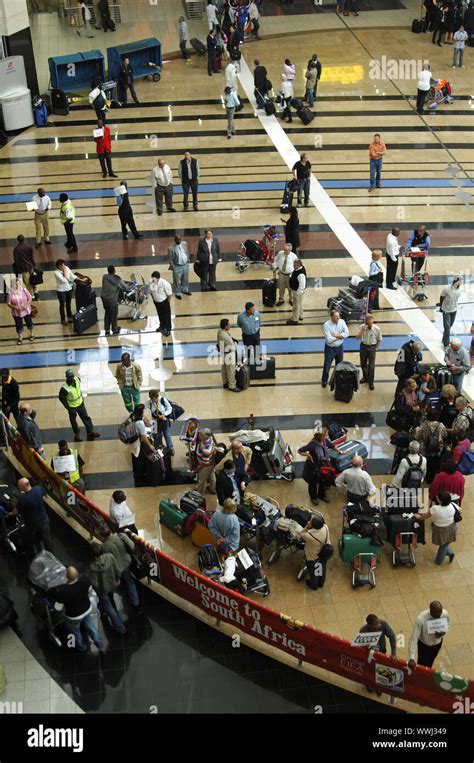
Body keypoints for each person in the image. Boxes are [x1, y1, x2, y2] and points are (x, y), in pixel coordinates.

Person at [51, 567, 104, 652]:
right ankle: (98, 641)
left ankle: (81, 646)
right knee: (91, 626)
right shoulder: (84, 580)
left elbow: (58, 607)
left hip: (74, 616)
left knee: (75, 631)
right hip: (86, 609)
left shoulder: (63, 591)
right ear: (77, 574)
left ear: (66, 577)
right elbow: (89, 590)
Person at [89, 543, 125, 635]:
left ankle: (120, 627)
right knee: (110, 597)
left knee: (109, 608)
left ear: (92, 554)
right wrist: (118, 578)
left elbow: (95, 583)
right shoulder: (110, 557)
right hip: (112, 584)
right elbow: (116, 569)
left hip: (102, 590)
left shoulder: (93, 567)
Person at [416, 492, 460, 564]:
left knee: (443, 544)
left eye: (438, 497)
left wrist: (419, 517)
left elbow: (426, 516)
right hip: (451, 527)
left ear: (441, 501)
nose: (436, 497)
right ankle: (449, 552)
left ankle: (439, 560)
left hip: (440, 529)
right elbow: (460, 510)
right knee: (446, 542)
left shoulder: (435, 508)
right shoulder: (452, 505)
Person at [59, 369, 100, 443]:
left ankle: (90, 431)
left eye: (72, 376)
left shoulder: (77, 379)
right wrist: (68, 407)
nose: (71, 378)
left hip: (80, 404)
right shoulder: (65, 388)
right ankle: (77, 434)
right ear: (66, 377)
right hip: (72, 407)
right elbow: (61, 398)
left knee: (86, 418)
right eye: (69, 377)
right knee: (73, 421)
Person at [359, 614, 397, 694]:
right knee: (369, 668)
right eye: (376, 624)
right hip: (368, 653)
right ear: (369, 625)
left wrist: (393, 653)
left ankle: (378, 686)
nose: (378, 625)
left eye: (378, 623)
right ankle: (368, 683)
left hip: (381, 651)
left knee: (380, 669)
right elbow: (359, 643)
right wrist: (364, 645)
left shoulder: (383, 624)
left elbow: (392, 636)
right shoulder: (363, 630)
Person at [298, 430, 333, 506]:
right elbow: (300, 450)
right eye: (326, 435)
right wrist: (308, 455)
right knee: (312, 482)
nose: (327, 436)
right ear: (321, 437)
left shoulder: (325, 441)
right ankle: (313, 497)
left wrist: (341, 452)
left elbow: (332, 446)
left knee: (322, 481)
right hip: (313, 466)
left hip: (322, 465)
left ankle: (321, 495)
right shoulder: (312, 445)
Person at [17, 478, 52, 553]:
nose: (18, 487)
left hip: (32, 524)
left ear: (23, 487)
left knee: (36, 539)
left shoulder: (22, 499)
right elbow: (45, 496)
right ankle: (51, 555)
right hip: (44, 519)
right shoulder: (38, 489)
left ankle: (39, 553)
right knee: (46, 539)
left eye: (19, 486)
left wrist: (9, 513)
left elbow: (18, 510)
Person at [297, 514, 330, 591]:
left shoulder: (310, 536)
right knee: (322, 568)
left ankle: (314, 585)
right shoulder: (325, 527)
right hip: (324, 553)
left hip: (313, 557)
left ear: (313, 526)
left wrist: (307, 527)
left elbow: (301, 534)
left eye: (310, 522)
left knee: (314, 572)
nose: (309, 522)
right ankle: (321, 583)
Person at [127, 404, 156, 486]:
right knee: (140, 458)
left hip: (132, 441)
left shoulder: (132, 416)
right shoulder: (140, 423)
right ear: (141, 412)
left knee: (135, 457)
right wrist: (150, 445)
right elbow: (143, 437)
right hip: (138, 443)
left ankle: (137, 473)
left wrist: (143, 416)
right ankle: (139, 475)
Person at [322, 308, 349, 388]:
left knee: (339, 365)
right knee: (327, 365)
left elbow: (347, 334)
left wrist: (336, 336)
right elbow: (329, 340)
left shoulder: (342, 322)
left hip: (340, 347)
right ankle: (324, 380)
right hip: (330, 348)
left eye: (338, 316)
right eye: (336, 316)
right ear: (331, 317)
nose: (338, 318)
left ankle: (337, 380)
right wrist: (341, 336)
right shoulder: (326, 325)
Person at [356, 314, 382, 390]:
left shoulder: (377, 329)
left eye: (371, 323)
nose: (370, 325)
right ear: (365, 323)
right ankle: (365, 378)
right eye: (368, 323)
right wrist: (363, 330)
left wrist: (376, 348)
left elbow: (379, 339)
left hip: (372, 347)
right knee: (363, 364)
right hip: (363, 346)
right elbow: (357, 338)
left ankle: (371, 382)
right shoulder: (361, 327)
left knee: (371, 366)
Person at [7, 275, 34, 346]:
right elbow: (8, 303)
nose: (17, 285)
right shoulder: (10, 293)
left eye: (18, 283)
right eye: (15, 284)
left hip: (26, 310)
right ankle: (20, 338)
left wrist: (26, 305)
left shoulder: (24, 290)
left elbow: (30, 298)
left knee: (29, 322)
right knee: (18, 325)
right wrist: (15, 307)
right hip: (16, 312)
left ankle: (31, 334)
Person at [101, 264, 128, 335]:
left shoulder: (104, 277)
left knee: (107, 312)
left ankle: (107, 329)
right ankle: (114, 329)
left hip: (104, 298)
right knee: (113, 314)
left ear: (108, 271)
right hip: (112, 299)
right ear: (114, 271)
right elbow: (124, 287)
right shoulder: (117, 278)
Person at [216, 318, 240, 393]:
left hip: (223, 353)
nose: (230, 325)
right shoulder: (225, 336)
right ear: (225, 326)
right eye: (229, 324)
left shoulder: (220, 331)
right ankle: (232, 386)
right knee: (231, 370)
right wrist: (236, 343)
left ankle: (225, 383)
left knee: (224, 369)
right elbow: (233, 347)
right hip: (229, 354)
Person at [440, 276, 462, 350]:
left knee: (449, 326)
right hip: (446, 310)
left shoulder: (459, 291)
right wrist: (441, 307)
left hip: (454, 310)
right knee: (447, 328)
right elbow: (441, 297)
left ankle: (444, 339)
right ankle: (446, 344)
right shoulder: (446, 288)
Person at [167, 235, 191, 299]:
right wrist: (173, 267)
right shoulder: (170, 248)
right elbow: (170, 259)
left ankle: (185, 289)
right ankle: (177, 293)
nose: (179, 241)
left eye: (180, 239)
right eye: (177, 240)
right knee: (176, 281)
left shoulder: (184, 243)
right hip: (177, 266)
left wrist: (188, 260)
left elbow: (186, 252)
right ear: (174, 240)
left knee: (185, 279)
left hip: (185, 265)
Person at [149, 271, 172, 336]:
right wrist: (154, 299)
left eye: (154, 279)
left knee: (166, 316)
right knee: (160, 314)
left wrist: (167, 302)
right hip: (156, 302)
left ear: (158, 278)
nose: (153, 280)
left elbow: (169, 294)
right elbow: (151, 291)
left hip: (164, 302)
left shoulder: (165, 283)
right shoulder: (151, 282)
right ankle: (162, 326)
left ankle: (168, 329)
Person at [195, 428, 217, 496]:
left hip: (205, 465)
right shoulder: (210, 438)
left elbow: (206, 460)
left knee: (202, 480)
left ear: (205, 437)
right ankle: (213, 489)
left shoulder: (206, 448)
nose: (198, 435)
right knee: (212, 477)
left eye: (200, 435)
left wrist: (200, 466)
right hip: (211, 463)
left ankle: (199, 494)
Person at [53, 259, 75, 326]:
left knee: (69, 302)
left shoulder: (66, 268)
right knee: (62, 304)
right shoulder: (56, 273)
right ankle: (63, 319)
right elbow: (64, 280)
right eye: (62, 265)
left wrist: (79, 279)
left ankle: (69, 314)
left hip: (69, 288)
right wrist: (65, 271)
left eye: (64, 264)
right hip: (61, 291)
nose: (64, 266)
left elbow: (71, 276)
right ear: (58, 266)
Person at [286, 259, 306, 326]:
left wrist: (298, 292)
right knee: (299, 303)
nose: (293, 266)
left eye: (295, 265)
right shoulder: (300, 269)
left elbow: (302, 285)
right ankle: (300, 315)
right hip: (298, 291)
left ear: (299, 265)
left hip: (297, 292)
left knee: (296, 305)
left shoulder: (301, 274)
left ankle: (294, 319)